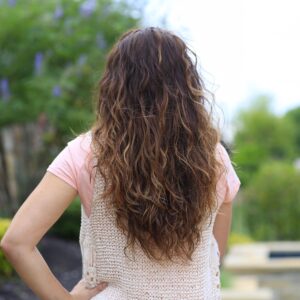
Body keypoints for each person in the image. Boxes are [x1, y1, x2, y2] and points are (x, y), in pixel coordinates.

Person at [0, 27, 240, 299]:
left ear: (115, 85)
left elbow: (17, 242)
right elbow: (215, 255)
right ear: (187, 85)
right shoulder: (214, 158)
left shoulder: (85, 154)